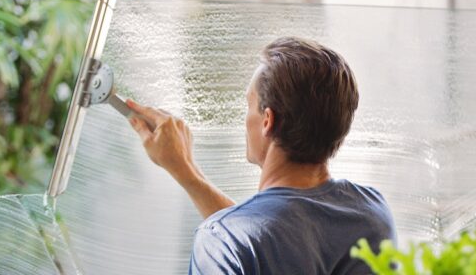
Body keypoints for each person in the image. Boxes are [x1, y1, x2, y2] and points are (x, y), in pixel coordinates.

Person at [126, 37, 395, 274]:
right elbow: (272, 239)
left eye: (249, 105)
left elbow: (253, 240)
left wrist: (191, 180)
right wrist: (186, 172)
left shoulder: (220, 241)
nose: (245, 118)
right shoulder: (371, 213)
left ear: (267, 120)